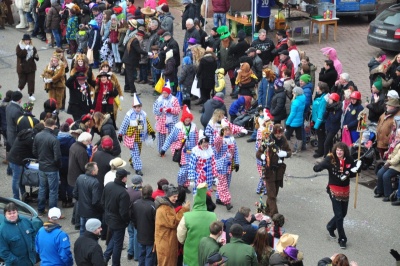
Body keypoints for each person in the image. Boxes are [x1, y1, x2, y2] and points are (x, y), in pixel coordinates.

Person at [313, 142, 361, 249]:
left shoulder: (349, 159)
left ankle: (330, 226)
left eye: (341, 150)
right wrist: (318, 167)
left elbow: (353, 173)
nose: (339, 152)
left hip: (345, 190)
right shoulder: (330, 159)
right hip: (333, 189)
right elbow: (319, 166)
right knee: (339, 215)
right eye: (337, 150)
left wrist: (357, 169)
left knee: (343, 214)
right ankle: (342, 239)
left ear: (345, 151)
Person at [161, 105, 198, 193]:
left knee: (190, 169)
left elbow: (197, 139)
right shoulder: (178, 127)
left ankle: (185, 185)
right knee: (184, 169)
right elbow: (170, 138)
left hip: (191, 151)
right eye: (186, 118)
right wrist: (163, 149)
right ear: (183, 118)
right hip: (181, 152)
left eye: (189, 118)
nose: (188, 119)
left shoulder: (194, 127)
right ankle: (180, 185)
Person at [177, 182, 217, 265]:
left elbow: (180, 237)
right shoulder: (213, 216)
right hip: (207, 256)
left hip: (190, 256)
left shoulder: (187, 216)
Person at [257, 124, 291, 217]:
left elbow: (289, 152)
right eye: (277, 134)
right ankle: (275, 214)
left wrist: (284, 154)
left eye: (281, 133)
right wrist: (262, 156)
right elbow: (258, 153)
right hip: (269, 170)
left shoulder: (284, 140)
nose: (279, 135)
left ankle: (268, 209)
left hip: (279, 170)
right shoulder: (267, 140)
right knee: (271, 195)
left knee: (274, 193)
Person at [118, 93, 156, 176]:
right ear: (133, 107)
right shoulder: (129, 115)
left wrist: (151, 132)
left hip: (140, 136)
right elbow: (124, 125)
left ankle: (132, 161)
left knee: (137, 152)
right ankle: (138, 169)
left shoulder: (143, 114)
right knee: (135, 153)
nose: (138, 109)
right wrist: (120, 134)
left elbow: (148, 123)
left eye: (139, 107)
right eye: (137, 107)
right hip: (131, 136)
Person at [155, 184, 190, 266]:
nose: (176, 199)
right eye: (174, 196)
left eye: (177, 196)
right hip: (166, 243)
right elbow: (173, 222)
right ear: (168, 196)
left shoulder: (166, 205)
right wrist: (184, 210)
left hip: (164, 240)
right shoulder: (165, 208)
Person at [33, 118, 62, 216]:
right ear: (53, 126)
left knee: (42, 188)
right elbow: (57, 157)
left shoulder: (37, 135)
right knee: (53, 191)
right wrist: (57, 166)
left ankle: (40, 210)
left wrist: (41, 159)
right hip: (52, 168)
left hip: (42, 167)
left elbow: (34, 151)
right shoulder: (54, 139)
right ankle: (52, 213)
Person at [102, 168, 131, 265]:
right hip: (118, 222)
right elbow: (123, 212)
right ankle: (115, 264)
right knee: (118, 245)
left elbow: (102, 202)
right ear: (123, 179)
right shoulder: (123, 193)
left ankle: (105, 257)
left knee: (114, 238)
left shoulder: (108, 185)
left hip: (109, 218)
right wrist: (126, 221)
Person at [73, 162, 103, 235]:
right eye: (97, 169)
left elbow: (74, 193)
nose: (98, 169)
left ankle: (82, 245)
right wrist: (101, 210)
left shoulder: (80, 177)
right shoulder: (95, 182)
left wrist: (81, 201)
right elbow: (95, 201)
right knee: (93, 233)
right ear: (93, 172)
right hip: (92, 213)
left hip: (82, 211)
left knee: (82, 231)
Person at [131, 184, 156, 265]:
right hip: (150, 235)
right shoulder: (153, 206)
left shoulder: (135, 203)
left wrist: (136, 226)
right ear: (151, 193)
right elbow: (156, 221)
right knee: (149, 256)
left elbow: (132, 217)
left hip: (140, 233)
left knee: (141, 254)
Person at [153, 86, 181, 153]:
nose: (164, 94)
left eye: (165, 93)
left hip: (171, 121)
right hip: (162, 121)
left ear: (169, 93)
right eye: (163, 93)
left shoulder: (174, 99)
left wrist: (170, 110)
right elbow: (154, 109)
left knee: (173, 137)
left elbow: (178, 110)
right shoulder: (159, 99)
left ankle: (175, 152)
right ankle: (161, 151)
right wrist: (159, 110)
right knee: (161, 137)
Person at [122, 29, 148, 96]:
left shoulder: (131, 39)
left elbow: (125, 47)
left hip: (126, 59)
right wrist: (147, 53)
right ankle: (133, 91)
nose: (141, 39)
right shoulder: (135, 41)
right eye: (141, 37)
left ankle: (127, 87)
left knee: (127, 75)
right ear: (139, 36)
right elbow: (139, 50)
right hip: (130, 60)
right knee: (131, 76)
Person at [57, 122, 75, 208]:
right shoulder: (71, 140)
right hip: (69, 162)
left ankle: (63, 199)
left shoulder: (57, 139)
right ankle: (70, 199)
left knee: (62, 181)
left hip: (60, 162)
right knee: (70, 181)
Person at [16, 34, 39, 101]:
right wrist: (25, 49)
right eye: (26, 40)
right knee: (22, 81)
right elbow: (19, 55)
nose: (27, 41)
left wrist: (36, 56)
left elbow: (35, 56)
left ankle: (31, 94)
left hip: (31, 67)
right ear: (23, 40)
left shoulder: (32, 47)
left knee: (31, 81)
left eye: (28, 40)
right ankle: (19, 90)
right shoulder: (19, 46)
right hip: (22, 67)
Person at [285, 87, 306, 153]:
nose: (292, 93)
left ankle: (289, 149)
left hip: (293, 122)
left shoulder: (295, 102)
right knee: (299, 136)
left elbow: (292, 114)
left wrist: (287, 122)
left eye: (293, 92)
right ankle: (298, 149)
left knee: (287, 135)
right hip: (299, 121)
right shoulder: (303, 100)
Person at [312, 82, 329, 158]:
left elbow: (321, 113)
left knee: (321, 136)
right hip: (316, 119)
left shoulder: (323, 100)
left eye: (318, 87)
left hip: (320, 121)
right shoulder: (320, 95)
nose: (316, 88)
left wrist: (316, 125)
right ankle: (320, 149)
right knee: (320, 136)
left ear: (322, 89)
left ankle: (320, 151)